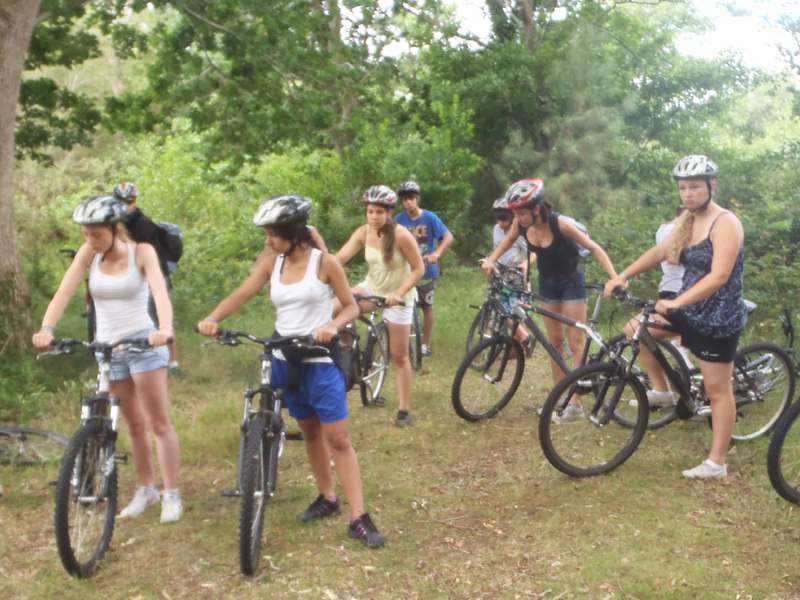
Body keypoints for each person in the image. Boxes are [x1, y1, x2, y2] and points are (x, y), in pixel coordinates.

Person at [197, 195, 385, 547]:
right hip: (285, 355)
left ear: (293, 232)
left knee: (338, 439)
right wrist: (213, 318)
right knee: (309, 430)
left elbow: (350, 308)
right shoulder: (273, 262)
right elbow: (244, 292)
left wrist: (332, 325)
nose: (268, 240)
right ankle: (327, 497)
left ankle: (358, 516)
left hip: (318, 357)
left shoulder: (324, 263)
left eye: (273, 234)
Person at [32, 196, 183, 522]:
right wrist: (47, 327)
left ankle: (172, 493)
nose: (91, 241)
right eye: (86, 235)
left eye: (97, 235)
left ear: (115, 229)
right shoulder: (90, 253)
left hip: (143, 345)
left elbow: (160, 292)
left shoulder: (141, 252)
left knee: (158, 422)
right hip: (108, 349)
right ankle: (147, 488)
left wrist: (165, 329)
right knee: (134, 424)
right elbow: (65, 290)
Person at [604, 155, 746, 479]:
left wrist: (676, 302)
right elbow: (660, 252)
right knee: (636, 329)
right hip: (686, 307)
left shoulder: (726, 223)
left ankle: (717, 463)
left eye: (695, 187)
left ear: (712, 185)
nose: (688, 194)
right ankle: (664, 390)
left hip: (717, 315)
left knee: (717, 389)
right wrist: (622, 275)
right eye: (683, 188)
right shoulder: (687, 220)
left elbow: (719, 276)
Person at [484, 178, 619, 422]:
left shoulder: (561, 224)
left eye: (522, 213)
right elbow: (507, 241)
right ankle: (560, 397)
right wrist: (491, 259)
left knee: (576, 342)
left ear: (537, 208)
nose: (518, 218)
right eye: (515, 213)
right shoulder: (521, 224)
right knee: (554, 344)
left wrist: (615, 278)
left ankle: (575, 403)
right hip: (548, 284)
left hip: (571, 283)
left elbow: (595, 248)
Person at [334, 185, 425, 427]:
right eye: (370, 211)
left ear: (389, 213)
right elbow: (339, 259)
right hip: (371, 287)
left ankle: (404, 410)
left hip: (398, 295)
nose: (374, 217)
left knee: (399, 355)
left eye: (379, 212)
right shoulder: (364, 232)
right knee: (333, 307)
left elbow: (419, 269)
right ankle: (347, 353)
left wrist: (399, 292)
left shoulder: (402, 235)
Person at [113, 182, 184, 375]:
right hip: (133, 279)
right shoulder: (114, 224)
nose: (126, 205)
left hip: (155, 277)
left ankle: (173, 363)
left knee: (161, 319)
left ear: (135, 200)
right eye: (121, 201)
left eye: (130, 201)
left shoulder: (142, 224)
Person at [395, 180, 454, 357]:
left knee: (426, 307)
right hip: (406, 272)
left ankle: (424, 344)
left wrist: (437, 252)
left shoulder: (429, 217)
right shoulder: (399, 220)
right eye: (405, 200)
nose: (408, 203)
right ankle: (404, 343)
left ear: (417, 198)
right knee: (403, 307)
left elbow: (448, 236)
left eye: (411, 198)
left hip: (427, 271)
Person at [491, 197, 533, 350]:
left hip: (515, 276)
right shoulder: (496, 229)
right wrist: (490, 262)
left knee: (509, 312)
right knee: (499, 308)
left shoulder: (519, 233)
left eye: (505, 219)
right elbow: (497, 249)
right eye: (499, 219)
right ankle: (516, 346)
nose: (502, 223)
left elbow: (533, 252)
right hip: (499, 274)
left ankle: (526, 339)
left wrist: (526, 263)